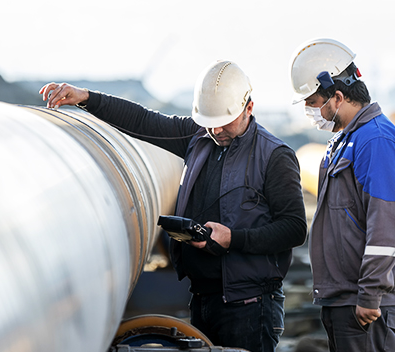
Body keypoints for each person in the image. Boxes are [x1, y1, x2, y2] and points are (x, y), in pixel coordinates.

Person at [40, 60, 308, 352]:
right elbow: (142, 121)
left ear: (248, 108)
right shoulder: (198, 137)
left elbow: (294, 228)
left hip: (250, 307)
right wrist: (87, 99)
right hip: (203, 299)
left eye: (224, 120)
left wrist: (233, 238)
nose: (216, 129)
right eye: (210, 120)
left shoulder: (275, 156)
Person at [288, 38, 395, 352]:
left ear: (337, 96)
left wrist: (370, 295)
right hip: (347, 300)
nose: (310, 111)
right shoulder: (346, 140)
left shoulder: (375, 141)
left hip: (371, 307)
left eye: (312, 102)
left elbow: (386, 227)